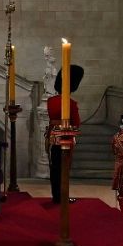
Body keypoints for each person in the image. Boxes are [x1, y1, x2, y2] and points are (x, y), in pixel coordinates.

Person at [45, 64, 82, 204]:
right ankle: (63, 196)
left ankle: (56, 195)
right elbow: (77, 123)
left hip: (53, 135)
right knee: (64, 167)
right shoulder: (71, 103)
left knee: (55, 167)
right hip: (65, 136)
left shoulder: (51, 101)